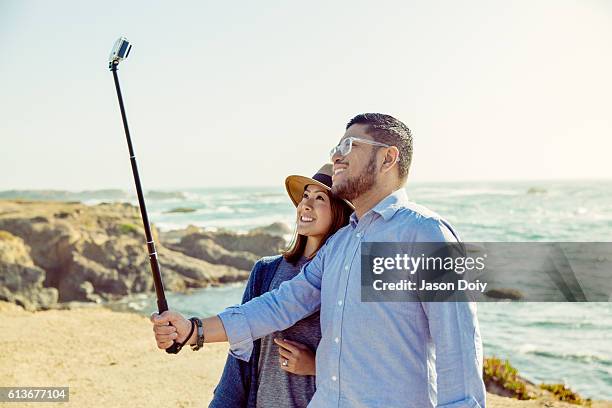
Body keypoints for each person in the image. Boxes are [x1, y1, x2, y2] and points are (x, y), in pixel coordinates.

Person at [152, 113, 486, 408]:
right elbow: (277, 305)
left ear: (388, 158)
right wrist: (193, 330)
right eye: (335, 149)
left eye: (348, 146)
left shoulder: (424, 234)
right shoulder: (340, 244)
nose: (336, 157)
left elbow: (458, 351)